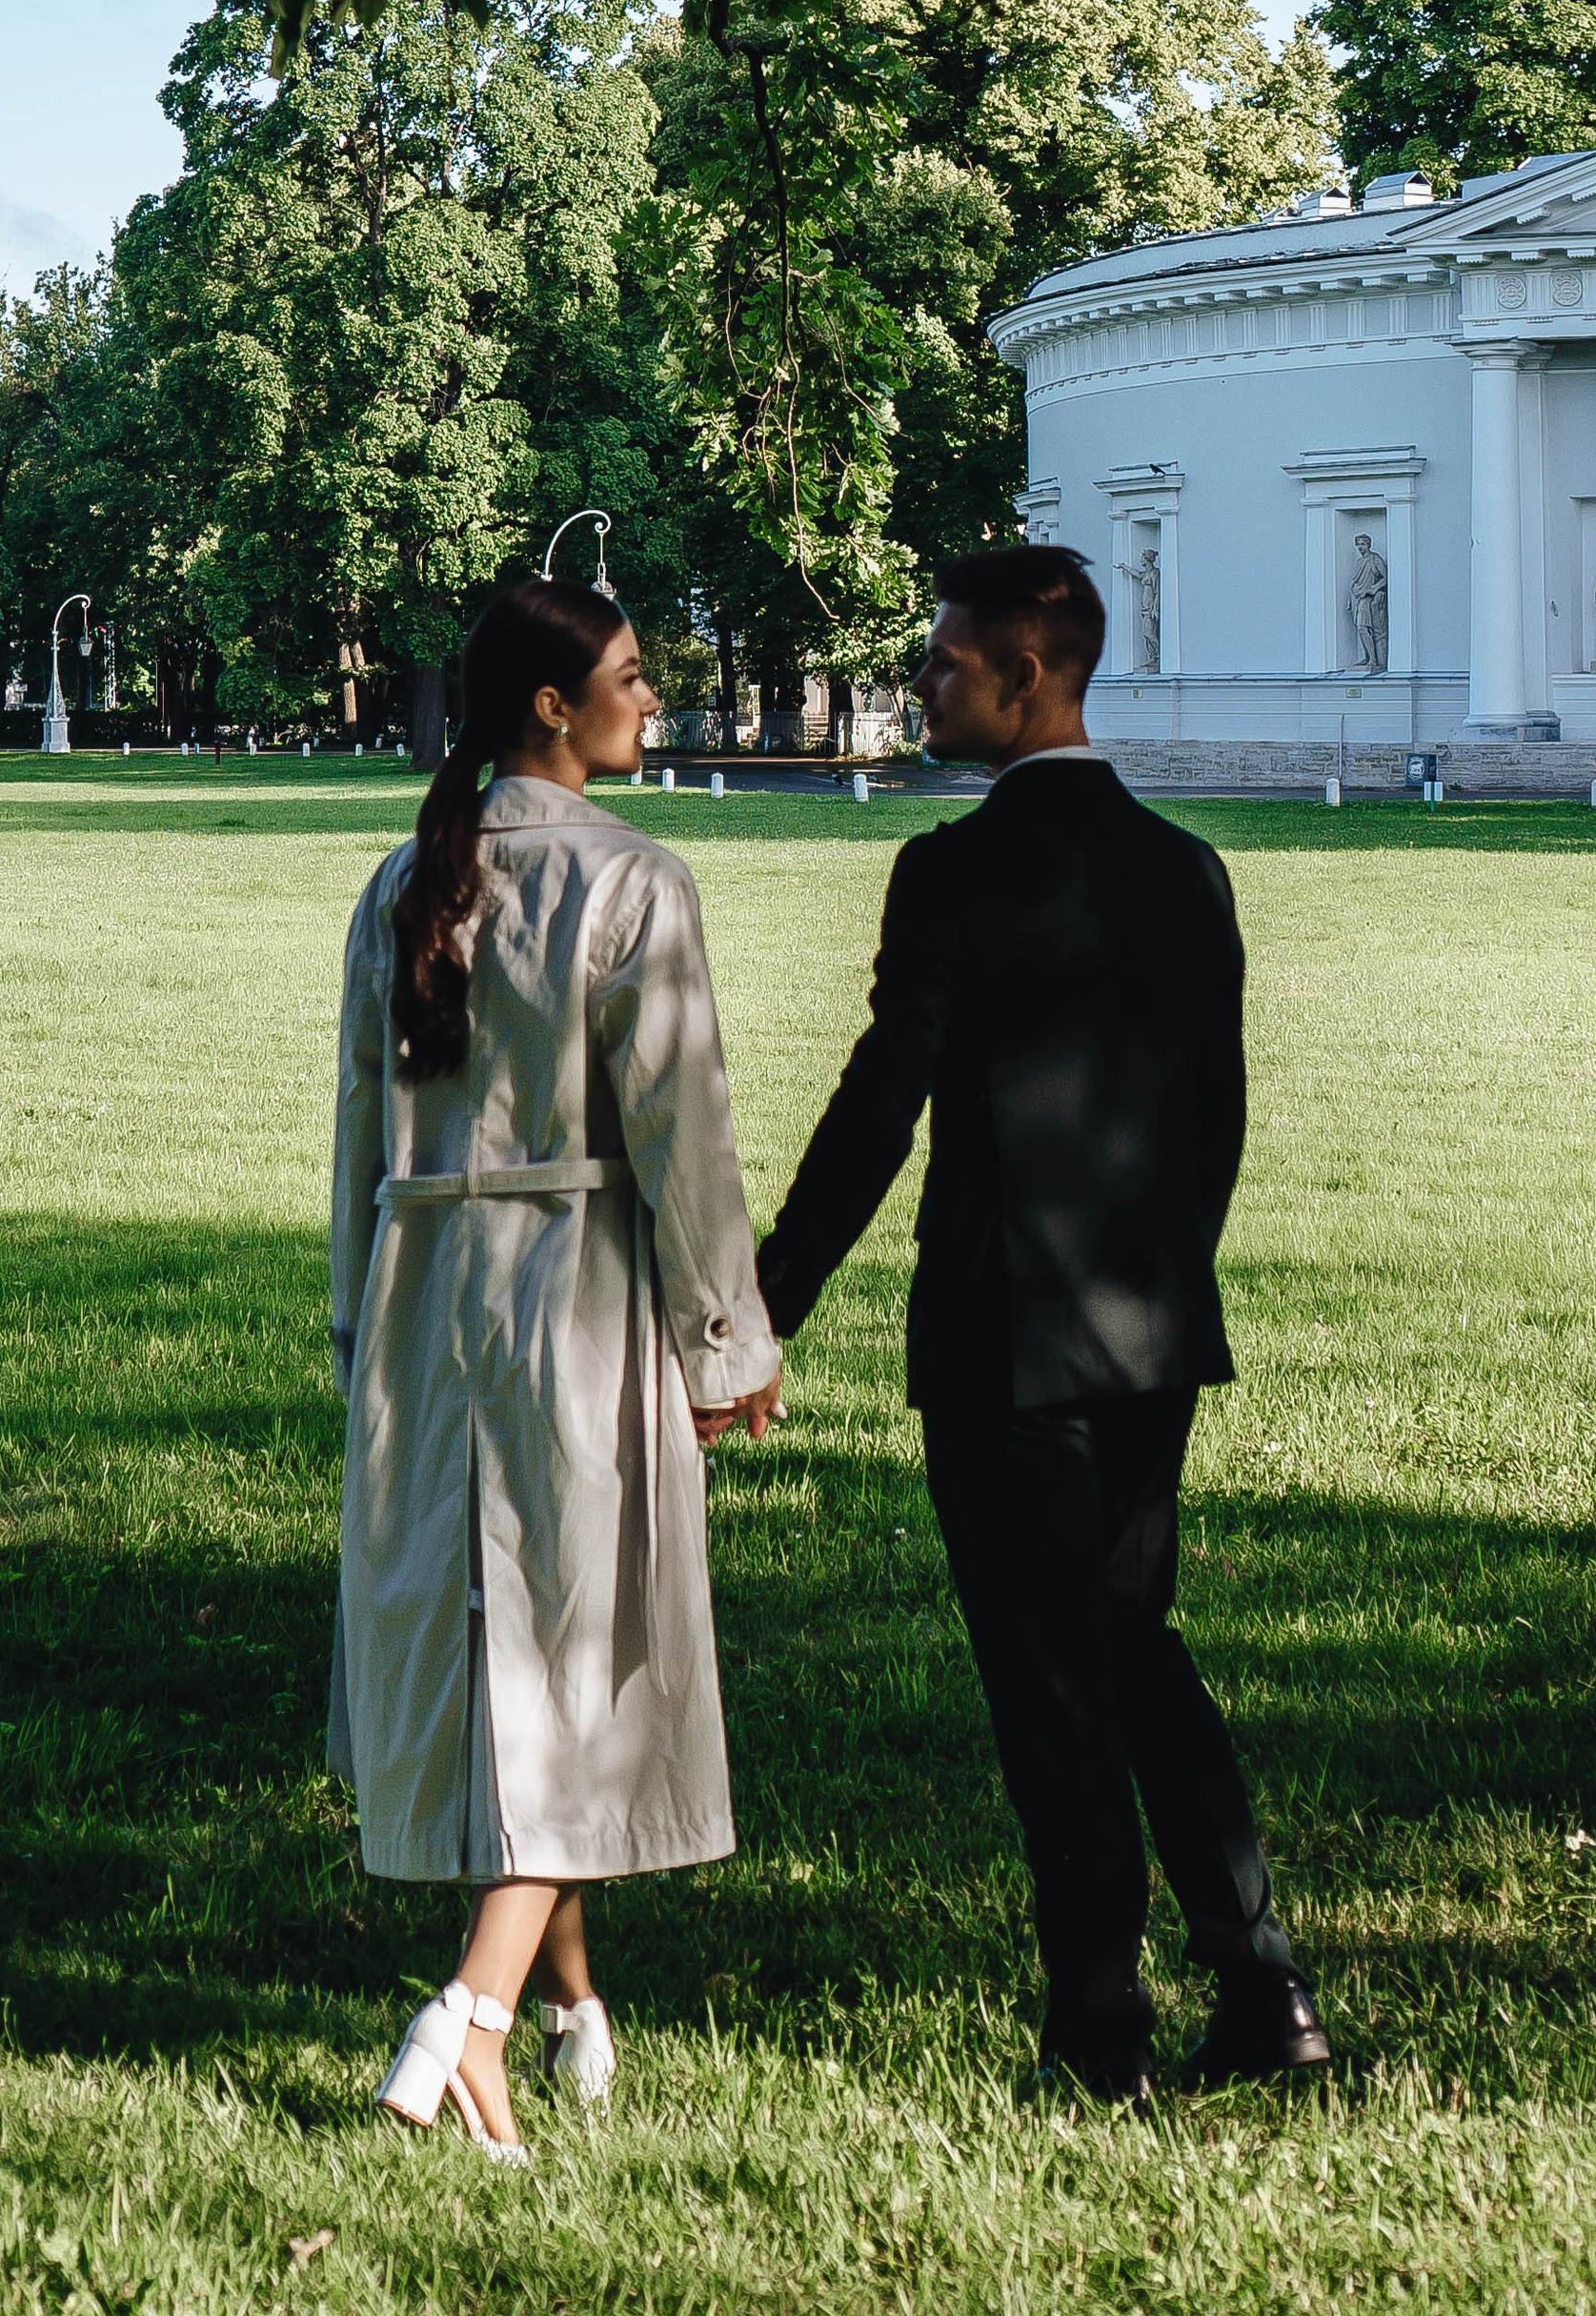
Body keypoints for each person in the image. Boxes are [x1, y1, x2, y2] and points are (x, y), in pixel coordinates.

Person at [754, 544, 1325, 2107]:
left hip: (1007, 1343)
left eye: (942, 662)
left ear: (1027, 676)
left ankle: (1099, 2035)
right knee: (1136, 1655)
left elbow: (882, 1107)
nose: (919, 683)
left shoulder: (952, 870)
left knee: (1051, 1690)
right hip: (1151, 1333)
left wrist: (762, 1303)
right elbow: (1216, 1120)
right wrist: (1160, 1276)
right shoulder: (1186, 870)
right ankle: (1263, 1988)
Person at [330, 578, 781, 2159]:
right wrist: (726, 1341)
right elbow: (687, 1139)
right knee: (576, 1667)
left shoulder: (404, 880)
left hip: (421, 1291)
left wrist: (353, 1323)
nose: (650, 702)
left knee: (499, 1662)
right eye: (632, 678)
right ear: (550, 705)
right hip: (573, 1299)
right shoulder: (636, 885)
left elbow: (354, 1141)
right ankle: (469, 2022)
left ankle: (575, 2010)